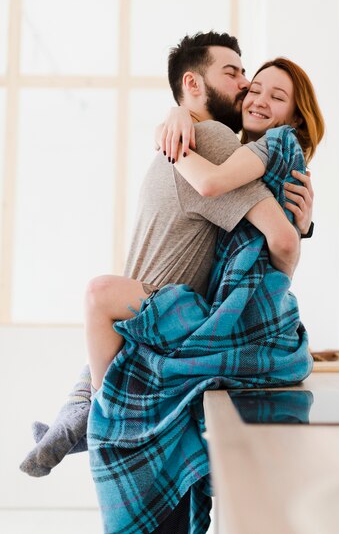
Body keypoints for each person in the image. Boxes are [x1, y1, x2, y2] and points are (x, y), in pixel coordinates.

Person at [20, 32, 320, 533]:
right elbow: (271, 243)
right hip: (152, 318)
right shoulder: (209, 140)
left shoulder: (199, 142)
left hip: (148, 319)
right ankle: (84, 415)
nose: (248, 88)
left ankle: (84, 418)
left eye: (261, 84)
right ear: (193, 83)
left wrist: (177, 119)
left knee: (100, 330)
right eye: (237, 74)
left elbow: (266, 233)